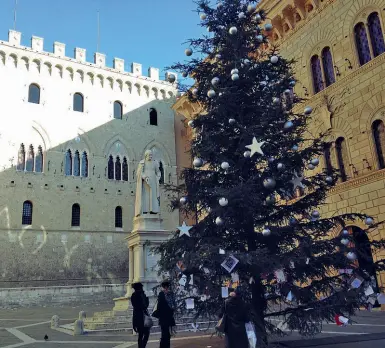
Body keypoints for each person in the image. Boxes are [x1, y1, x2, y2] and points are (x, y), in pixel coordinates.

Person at [156, 281, 176, 348]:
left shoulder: (161, 294)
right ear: (168, 286)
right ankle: (167, 346)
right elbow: (174, 305)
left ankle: (162, 346)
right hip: (169, 316)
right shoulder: (171, 294)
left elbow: (158, 306)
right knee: (168, 333)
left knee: (164, 333)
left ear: (163, 286)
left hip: (163, 317)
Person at [131, 282, 150, 348]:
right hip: (142, 317)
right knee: (145, 334)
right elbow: (145, 305)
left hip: (138, 317)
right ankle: (142, 346)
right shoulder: (140, 295)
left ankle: (141, 346)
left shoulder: (135, 295)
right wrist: (147, 299)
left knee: (141, 334)